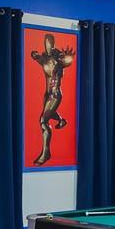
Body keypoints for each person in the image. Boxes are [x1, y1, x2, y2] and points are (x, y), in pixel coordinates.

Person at [29, 33, 75, 166]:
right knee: (48, 113)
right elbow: (35, 56)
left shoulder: (59, 59)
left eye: (50, 43)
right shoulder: (44, 59)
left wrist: (68, 57)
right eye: (46, 43)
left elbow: (67, 61)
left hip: (55, 94)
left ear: (53, 44)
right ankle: (61, 120)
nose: (48, 46)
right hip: (47, 94)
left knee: (43, 121)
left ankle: (46, 153)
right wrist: (34, 54)